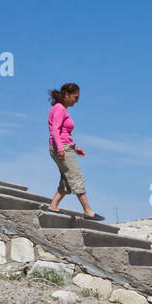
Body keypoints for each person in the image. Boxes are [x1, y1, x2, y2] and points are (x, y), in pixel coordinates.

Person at [45, 83, 102, 219]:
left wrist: (75, 147)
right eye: (75, 97)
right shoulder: (59, 109)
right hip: (61, 148)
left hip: (65, 147)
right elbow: (55, 131)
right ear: (67, 95)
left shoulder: (61, 109)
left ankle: (53, 206)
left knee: (66, 180)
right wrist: (60, 149)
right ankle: (88, 210)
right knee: (76, 176)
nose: (77, 100)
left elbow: (64, 133)